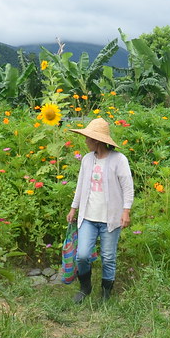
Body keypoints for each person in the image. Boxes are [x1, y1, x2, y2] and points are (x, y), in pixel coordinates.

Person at [66, 117, 134, 303]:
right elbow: (80, 186)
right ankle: (85, 287)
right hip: (88, 217)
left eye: (88, 138)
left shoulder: (119, 160)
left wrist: (125, 211)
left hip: (110, 218)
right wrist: (74, 208)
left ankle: (105, 294)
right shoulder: (87, 160)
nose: (85, 141)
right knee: (82, 255)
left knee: (108, 257)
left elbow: (128, 187)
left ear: (96, 140)